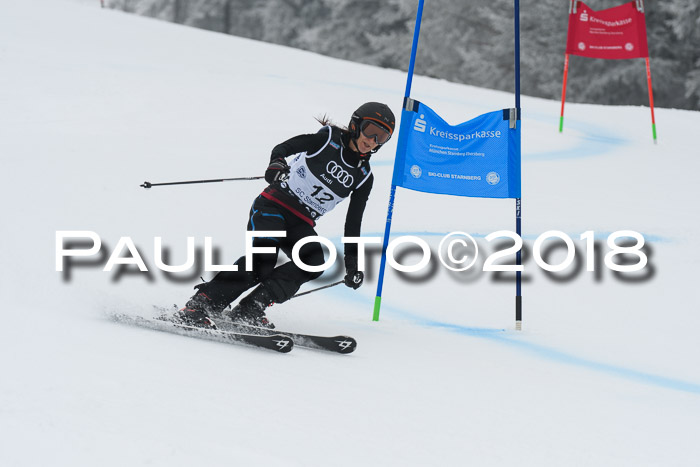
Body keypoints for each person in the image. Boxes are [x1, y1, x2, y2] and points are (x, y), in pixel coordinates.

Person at [175, 102, 396, 329]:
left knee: (314, 261)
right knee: (263, 261)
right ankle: (201, 305)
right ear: (355, 124)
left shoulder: (363, 177)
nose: (373, 141)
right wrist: (277, 163)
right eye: (371, 131)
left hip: (300, 222)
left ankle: (250, 308)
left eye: (382, 137)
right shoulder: (327, 140)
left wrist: (353, 264)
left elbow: (353, 223)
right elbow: (283, 148)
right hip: (273, 206)